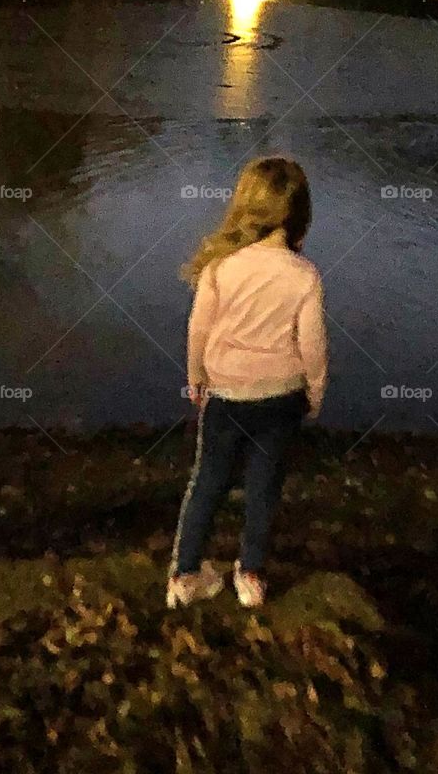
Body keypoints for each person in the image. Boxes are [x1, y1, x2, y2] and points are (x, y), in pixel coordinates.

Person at [167, 156, 328, 610]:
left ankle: (184, 575)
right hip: (280, 397)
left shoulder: (223, 267)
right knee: (264, 485)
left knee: (208, 482)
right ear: (299, 214)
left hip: (227, 395)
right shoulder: (304, 275)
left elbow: (198, 328)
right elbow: (312, 345)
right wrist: (314, 391)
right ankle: (251, 576)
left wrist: (196, 376)